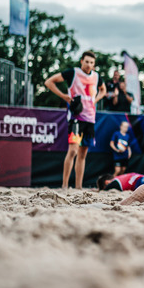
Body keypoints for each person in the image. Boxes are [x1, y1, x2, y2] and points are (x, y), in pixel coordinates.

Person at [44, 51, 107, 191]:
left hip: (90, 119)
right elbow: (49, 82)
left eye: (91, 62)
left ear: (94, 64)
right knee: (72, 151)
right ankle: (65, 185)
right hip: (76, 118)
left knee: (83, 154)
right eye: (87, 61)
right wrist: (64, 96)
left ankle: (78, 187)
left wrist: (95, 100)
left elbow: (103, 90)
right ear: (81, 61)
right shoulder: (73, 72)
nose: (89, 65)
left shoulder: (97, 77)